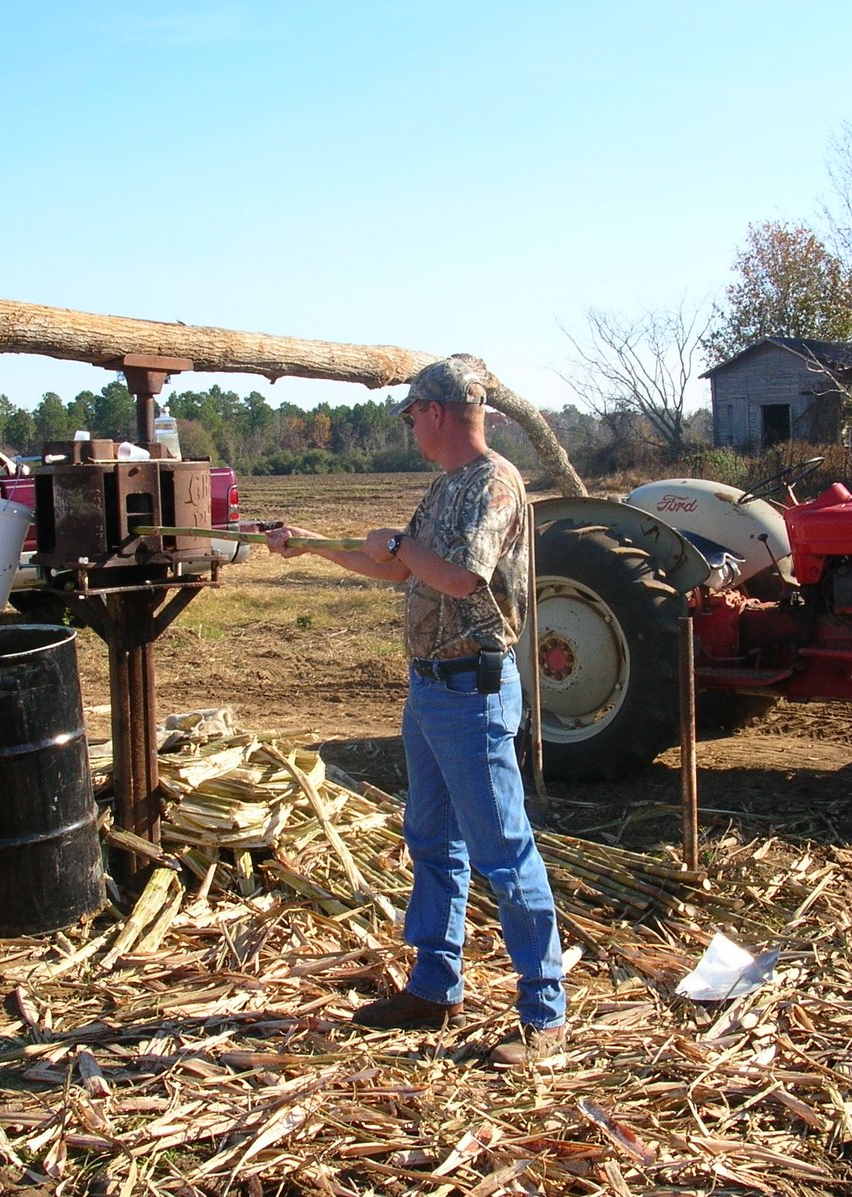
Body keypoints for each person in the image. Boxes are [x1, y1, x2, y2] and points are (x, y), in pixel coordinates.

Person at [265, 355, 568, 1068]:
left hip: (473, 691)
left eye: (410, 415)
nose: (409, 427)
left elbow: (461, 575)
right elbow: (396, 568)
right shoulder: (447, 486)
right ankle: (434, 987)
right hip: (433, 688)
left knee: (502, 847)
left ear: (435, 410)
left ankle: (545, 1014)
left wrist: (400, 543)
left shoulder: (493, 483)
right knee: (433, 839)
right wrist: (308, 543)